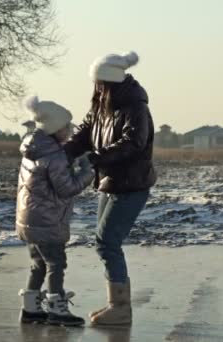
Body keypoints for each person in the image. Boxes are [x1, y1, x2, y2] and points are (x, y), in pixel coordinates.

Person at [63, 51, 156, 325]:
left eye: (99, 83)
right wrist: (61, 155)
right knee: (103, 242)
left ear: (110, 82)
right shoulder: (100, 107)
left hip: (131, 184)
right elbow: (83, 135)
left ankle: (121, 309)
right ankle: (116, 304)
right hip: (109, 182)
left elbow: (133, 143)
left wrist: (95, 158)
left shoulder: (135, 107)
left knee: (108, 242)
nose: (96, 88)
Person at [16, 95, 94, 326]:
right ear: (55, 129)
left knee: (38, 263)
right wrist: (87, 170)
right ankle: (57, 308)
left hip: (29, 219)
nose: (70, 130)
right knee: (56, 264)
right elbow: (67, 188)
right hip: (47, 220)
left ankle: (30, 309)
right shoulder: (54, 156)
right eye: (66, 126)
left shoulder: (33, 149)